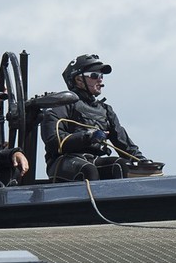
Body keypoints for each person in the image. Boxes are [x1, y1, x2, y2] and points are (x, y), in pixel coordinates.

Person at [40, 54, 149, 182]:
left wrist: (143, 163)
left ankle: (118, 202)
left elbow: (125, 144)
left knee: (121, 165)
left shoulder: (106, 110)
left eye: (101, 76)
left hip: (94, 160)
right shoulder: (61, 104)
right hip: (63, 162)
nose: (100, 80)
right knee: (88, 170)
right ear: (79, 80)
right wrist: (88, 136)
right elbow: (53, 140)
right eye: (94, 76)